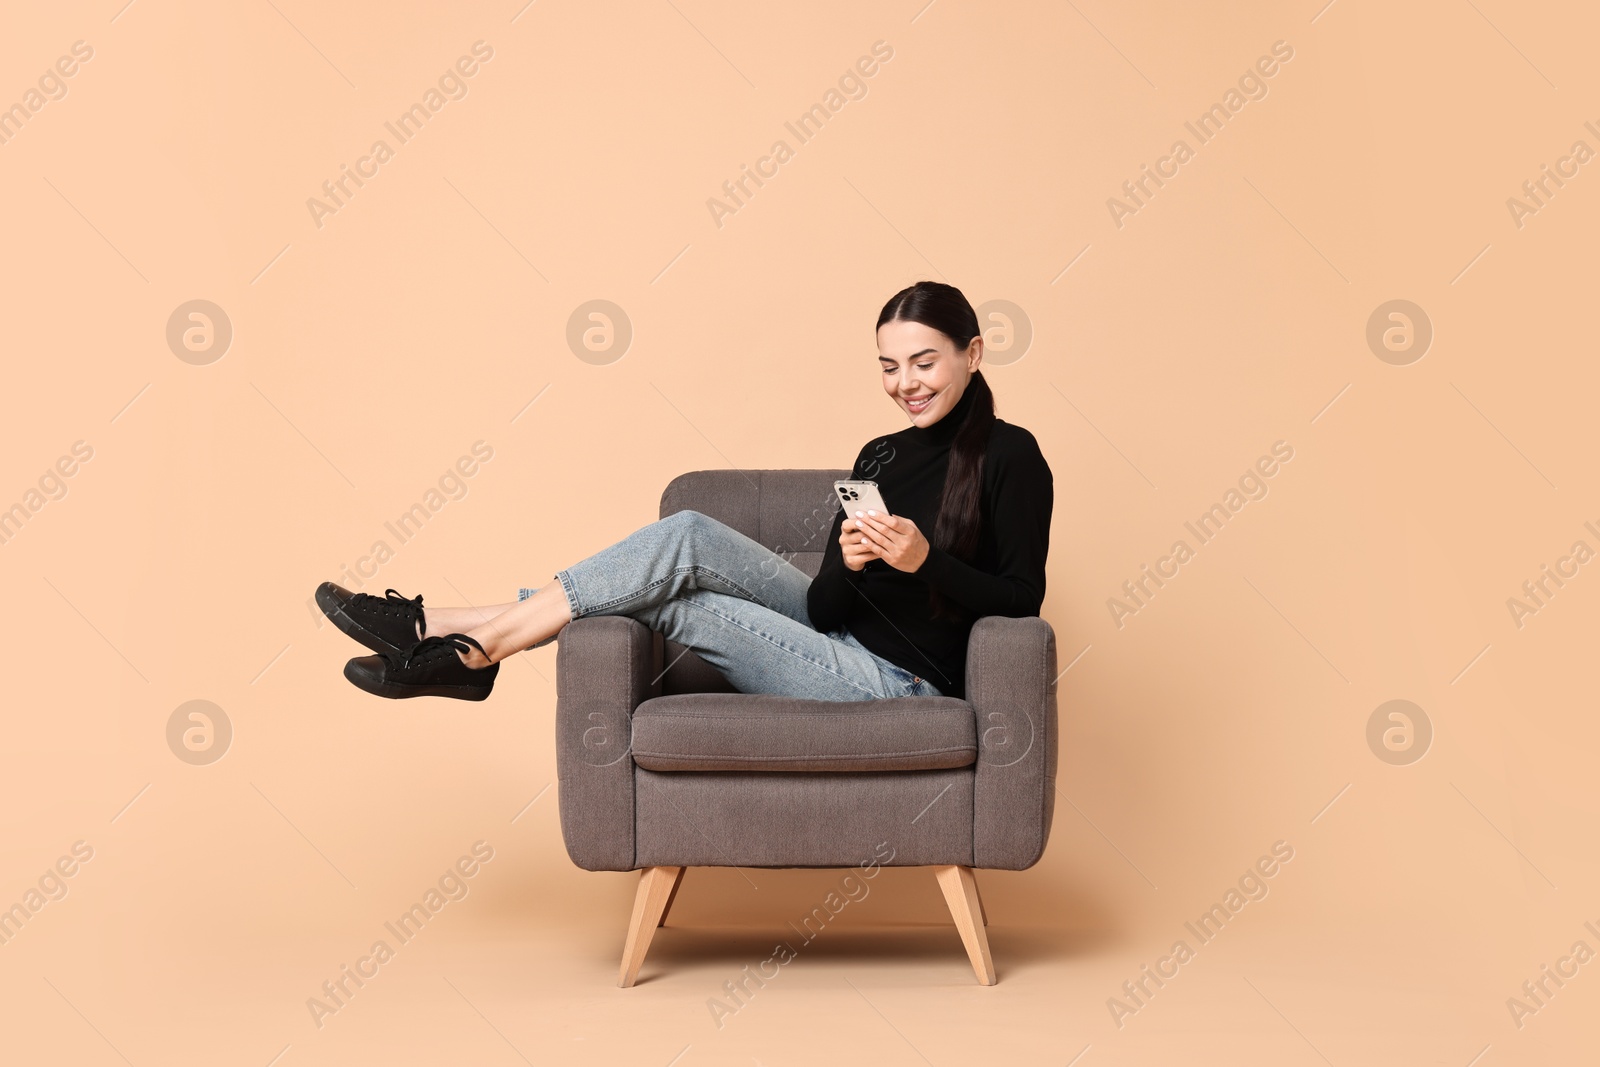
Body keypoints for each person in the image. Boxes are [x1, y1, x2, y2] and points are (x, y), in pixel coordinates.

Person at [315, 280, 1053, 703]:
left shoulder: (1013, 456)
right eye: (890, 367)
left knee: (667, 598)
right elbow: (826, 609)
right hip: (835, 633)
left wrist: (925, 560)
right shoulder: (880, 454)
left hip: (899, 680)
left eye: (924, 362)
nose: (906, 384)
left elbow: (1023, 599)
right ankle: (449, 637)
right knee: (690, 530)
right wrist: (853, 567)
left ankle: (450, 639)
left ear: (973, 353)